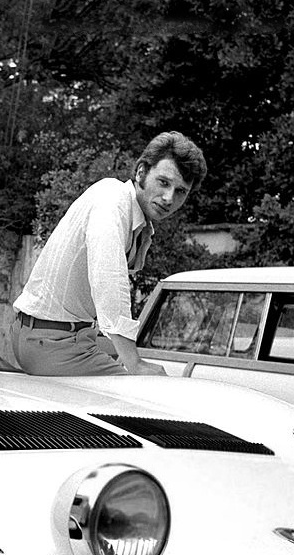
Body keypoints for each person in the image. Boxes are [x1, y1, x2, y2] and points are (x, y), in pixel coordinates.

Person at [12, 131, 207, 376]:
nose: (169, 198)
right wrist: (135, 364)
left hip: (62, 335)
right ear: (141, 173)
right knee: (140, 395)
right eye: (164, 182)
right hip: (51, 340)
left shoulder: (133, 217)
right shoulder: (112, 202)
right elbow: (109, 282)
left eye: (181, 191)